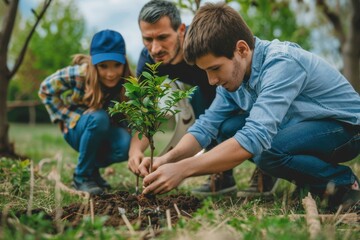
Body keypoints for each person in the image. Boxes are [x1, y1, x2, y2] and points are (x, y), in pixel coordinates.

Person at [136, 2, 360, 210]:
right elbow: (205, 127)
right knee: (229, 127)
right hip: (306, 127)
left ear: (241, 49)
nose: (211, 81)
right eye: (205, 71)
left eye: (214, 69)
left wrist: (184, 169)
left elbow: (255, 138)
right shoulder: (234, 77)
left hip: (346, 128)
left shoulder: (281, 63)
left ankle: (343, 184)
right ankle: (312, 182)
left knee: (267, 149)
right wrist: (167, 160)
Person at [128, 0, 278, 197]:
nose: (155, 48)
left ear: (181, 30)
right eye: (147, 39)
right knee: (200, 103)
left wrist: (183, 168)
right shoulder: (149, 61)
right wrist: (136, 151)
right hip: (210, 96)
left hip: (236, 90)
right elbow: (146, 111)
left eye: (163, 37)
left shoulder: (206, 43)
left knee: (214, 107)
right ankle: (222, 175)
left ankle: (266, 166)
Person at [39, 29, 135, 195]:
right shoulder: (79, 74)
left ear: (124, 64)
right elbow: (45, 89)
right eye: (103, 66)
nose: (111, 74)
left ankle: (91, 171)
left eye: (116, 65)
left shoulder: (127, 82)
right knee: (98, 118)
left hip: (103, 130)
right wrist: (66, 118)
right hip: (78, 128)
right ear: (93, 64)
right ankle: (81, 176)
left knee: (126, 144)